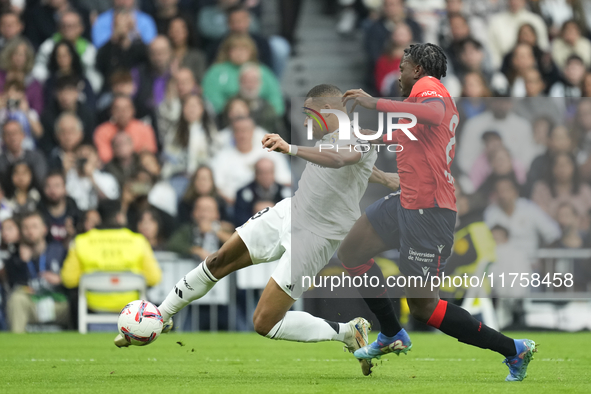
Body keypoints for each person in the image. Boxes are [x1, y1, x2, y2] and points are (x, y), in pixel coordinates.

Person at [116, 84, 398, 378]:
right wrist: (386, 178)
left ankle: (348, 332)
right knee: (218, 260)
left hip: (317, 236)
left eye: (309, 115)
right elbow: (352, 165)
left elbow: (344, 157)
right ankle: (159, 316)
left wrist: (291, 148)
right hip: (289, 212)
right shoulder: (331, 137)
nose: (305, 122)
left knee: (264, 323)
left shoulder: (358, 137)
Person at [337, 43, 537, 381]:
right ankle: (391, 333)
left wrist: (374, 103)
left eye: (402, 67)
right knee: (351, 253)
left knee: (424, 307)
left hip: (428, 212)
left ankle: (515, 350)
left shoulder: (427, 88)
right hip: (407, 201)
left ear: (416, 69)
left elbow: (433, 114)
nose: (398, 74)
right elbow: (410, 134)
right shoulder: (422, 98)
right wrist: (368, 139)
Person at [61, 199, 162, 313]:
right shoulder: (138, 241)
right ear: (119, 216)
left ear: (99, 217)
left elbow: (68, 279)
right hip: (131, 306)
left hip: (93, 305)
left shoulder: (81, 241)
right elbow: (154, 278)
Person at [4, 211, 69, 333]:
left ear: (44, 229)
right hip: (31, 304)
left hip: (56, 303)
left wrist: (60, 279)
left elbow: (71, 279)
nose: (30, 231)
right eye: (25, 227)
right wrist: (23, 263)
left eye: (34, 226)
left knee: (74, 303)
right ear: (21, 231)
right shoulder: (14, 257)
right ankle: (17, 345)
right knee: (16, 300)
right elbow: (13, 286)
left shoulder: (59, 251)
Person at [210, 116, 290, 203]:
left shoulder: (271, 153)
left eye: (245, 130)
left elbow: (286, 182)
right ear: (232, 133)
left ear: (253, 132)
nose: (242, 135)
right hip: (235, 207)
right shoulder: (221, 157)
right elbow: (216, 187)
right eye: (238, 131)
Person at [202, 34, 284, 115]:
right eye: (235, 49)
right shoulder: (216, 72)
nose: (240, 53)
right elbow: (211, 99)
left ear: (251, 52)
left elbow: (275, 98)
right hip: (226, 118)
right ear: (227, 52)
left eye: (244, 49)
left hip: (261, 118)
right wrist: (232, 111)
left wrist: (271, 114)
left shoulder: (263, 71)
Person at [32, 10, 102, 93]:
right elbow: (39, 72)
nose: (67, 29)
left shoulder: (89, 49)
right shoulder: (48, 47)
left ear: (81, 28)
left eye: (71, 26)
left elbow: (94, 79)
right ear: (59, 28)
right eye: (64, 26)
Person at [93, 95, 158, 163]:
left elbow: (149, 156)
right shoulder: (102, 131)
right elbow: (104, 157)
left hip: (140, 169)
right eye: (118, 109)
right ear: (111, 111)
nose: (122, 112)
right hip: (112, 169)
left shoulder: (145, 129)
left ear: (133, 110)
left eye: (126, 108)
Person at [166, 195, 234, 260]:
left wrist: (215, 231)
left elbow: (236, 244)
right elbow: (173, 244)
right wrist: (197, 251)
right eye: (200, 209)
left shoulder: (226, 228)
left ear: (217, 214)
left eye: (209, 210)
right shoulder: (187, 229)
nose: (204, 214)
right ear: (193, 213)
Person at [487, 0, 549, 68]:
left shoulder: (536, 21)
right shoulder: (496, 22)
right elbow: (493, 52)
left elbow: (543, 47)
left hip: (536, 68)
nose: (514, 2)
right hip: (506, 69)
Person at [234, 158, 290, 227]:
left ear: (274, 172)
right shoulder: (243, 193)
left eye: (269, 172)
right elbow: (240, 219)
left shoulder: (285, 192)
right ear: (255, 173)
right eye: (261, 172)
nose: (265, 176)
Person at [65, 144, 120, 211]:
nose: (84, 159)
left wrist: (91, 178)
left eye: (88, 155)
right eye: (81, 155)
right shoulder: (68, 176)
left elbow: (110, 206)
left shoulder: (107, 179)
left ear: (96, 157)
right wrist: (65, 172)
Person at [0, 120, 47, 191]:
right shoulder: (1, 161)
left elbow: (42, 182)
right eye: (8, 134)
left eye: (15, 133)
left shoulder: (36, 157)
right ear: (3, 138)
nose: (12, 138)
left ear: (23, 135)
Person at [38, 170, 81, 247]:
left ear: (65, 188)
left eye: (57, 186)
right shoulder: (38, 211)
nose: (52, 190)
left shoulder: (74, 211)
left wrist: (71, 234)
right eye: (48, 186)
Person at [92, 0, 157, 49]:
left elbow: (151, 49)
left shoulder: (146, 21)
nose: (123, 1)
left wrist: (134, 32)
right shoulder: (101, 21)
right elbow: (99, 49)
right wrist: (115, 36)